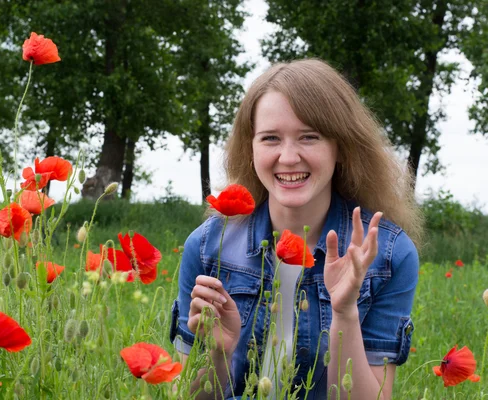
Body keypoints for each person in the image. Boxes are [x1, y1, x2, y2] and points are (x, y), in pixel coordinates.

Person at [169, 59, 423, 399]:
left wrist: (345, 312)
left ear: (341, 147)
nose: (288, 157)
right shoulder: (207, 248)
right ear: (251, 148)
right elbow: (184, 395)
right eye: (270, 138)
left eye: (309, 137)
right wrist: (219, 353)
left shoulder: (386, 256)